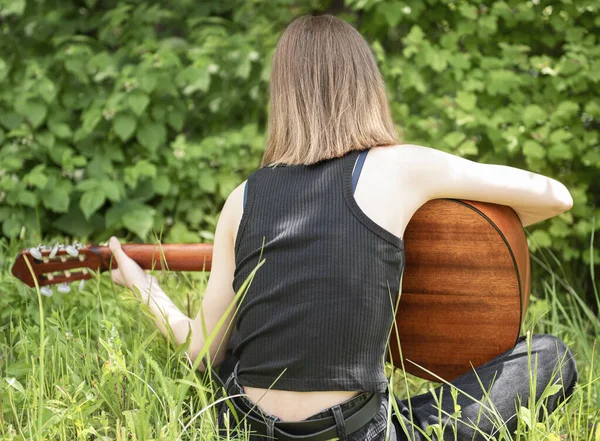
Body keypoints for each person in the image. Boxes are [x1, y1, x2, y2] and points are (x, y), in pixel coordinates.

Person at [108, 14, 578, 441]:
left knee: (231, 354)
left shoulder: (243, 199)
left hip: (247, 431)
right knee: (549, 357)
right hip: (356, 434)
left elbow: (203, 352)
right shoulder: (402, 170)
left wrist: (143, 287)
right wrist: (435, 225)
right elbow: (557, 196)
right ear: (367, 86)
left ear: (284, 97)